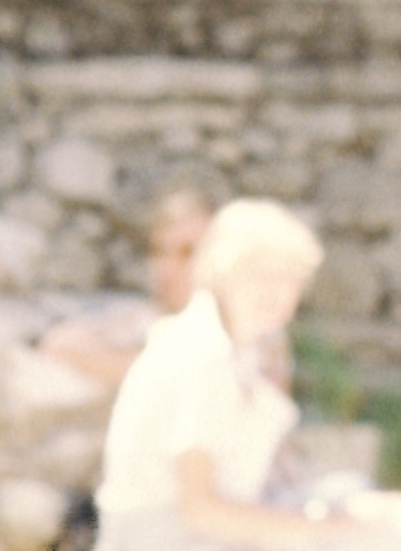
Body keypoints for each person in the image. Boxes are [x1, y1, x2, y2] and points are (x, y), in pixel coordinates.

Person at [93, 200, 361, 551]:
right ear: (225, 271)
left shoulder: (241, 353)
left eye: (288, 277)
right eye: (261, 274)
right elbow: (201, 510)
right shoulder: (200, 352)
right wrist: (324, 526)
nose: (276, 291)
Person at [40, 187, 217, 392]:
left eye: (188, 252)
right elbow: (60, 345)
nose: (166, 268)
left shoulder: (236, 328)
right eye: (160, 252)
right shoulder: (144, 319)